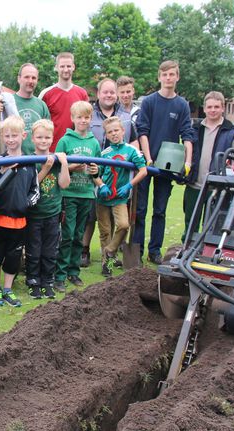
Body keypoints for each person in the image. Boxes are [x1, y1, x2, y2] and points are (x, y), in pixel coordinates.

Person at [135, 60, 195, 264]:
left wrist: (187, 161)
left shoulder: (182, 105)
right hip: (146, 163)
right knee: (140, 209)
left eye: (172, 74)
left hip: (167, 166)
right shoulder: (150, 102)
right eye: (165, 74)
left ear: (177, 77)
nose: (168, 78)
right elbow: (142, 130)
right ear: (159, 77)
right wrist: (148, 156)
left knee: (160, 210)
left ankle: (154, 251)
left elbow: (187, 134)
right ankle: (136, 251)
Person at [81, 78, 139, 267]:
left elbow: (134, 140)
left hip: (120, 176)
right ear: (98, 94)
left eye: (112, 92)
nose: (109, 95)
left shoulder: (125, 115)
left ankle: (113, 254)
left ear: (116, 94)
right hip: (95, 172)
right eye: (105, 92)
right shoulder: (92, 114)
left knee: (120, 218)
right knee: (92, 217)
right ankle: (85, 251)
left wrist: (135, 159)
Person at [0, 116, 40, 306]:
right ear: (2, 137)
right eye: (7, 135)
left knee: (13, 257)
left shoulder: (30, 163)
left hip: (19, 222)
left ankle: (8, 289)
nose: (10, 139)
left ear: (23, 136)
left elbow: (35, 190)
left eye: (14, 135)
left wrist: (25, 204)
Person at [54, 101, 103, 292]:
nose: (83, 120)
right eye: (79, 117)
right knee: (67, 234)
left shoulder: (93, 142)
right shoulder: (65, 140)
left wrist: (95, 170)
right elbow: (57, 168)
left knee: (79, 235)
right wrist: (72, 167)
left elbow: (98, 169)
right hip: (68, 194)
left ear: (91, 119)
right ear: (72, 118)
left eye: (87, 117)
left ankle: (73, 272)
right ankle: (59, 274)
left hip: (86, 194)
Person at [183, 91, 234, 241]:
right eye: (209, 107)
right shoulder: (194, 128)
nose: (212, 110)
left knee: (211, 225)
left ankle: (203, 253)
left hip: (216, 188)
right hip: (194, 184)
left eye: (216, 106)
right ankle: (186, 249)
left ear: (223, 108)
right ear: (204, 108)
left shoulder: (231, 131)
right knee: (190, 222)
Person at [96, 117, 148, 276]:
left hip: (120, 197)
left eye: (116, 130)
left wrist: (129, 185)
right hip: (103, 197)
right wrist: (101, 185)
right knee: (105, 231)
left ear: (123, 131)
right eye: (110, 132)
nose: (113, 134)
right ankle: (107, 265)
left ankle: (110, 250)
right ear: (106, 135)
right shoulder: (104, 153)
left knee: (124, 225)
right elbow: (95, 173)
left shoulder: (131, 151)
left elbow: (143, 170)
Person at [25, 119, 70, 299]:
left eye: (47, 137)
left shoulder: (57, 160)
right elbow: (31, 185)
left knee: (50, 250)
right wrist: (45, 168)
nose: (43, 141)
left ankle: (47, 281)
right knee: (34, 250)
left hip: (53, 213)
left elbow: (64, 184)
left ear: (52, 139)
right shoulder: (30, 160)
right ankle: (33, 281)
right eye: (39, 137)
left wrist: (64, 163)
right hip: (35, 214)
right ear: (33, 139)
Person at [39, 52, 89, 151]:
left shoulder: (82, 93)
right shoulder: (46, 94)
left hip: (76, 150)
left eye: (68, 66)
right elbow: (39, 125)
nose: (66, 70)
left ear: (73, 67)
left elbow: (87, 123)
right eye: (62, 66)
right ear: (56, 67)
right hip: (52, 150)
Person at [13, 63, 50, 155]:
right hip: (15, 161)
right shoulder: (9, 102)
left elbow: (48, 134)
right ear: (19, 79)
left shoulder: (41, 105)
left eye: (33, 78)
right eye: (26, 77)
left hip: (38, 160)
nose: (30, 81)